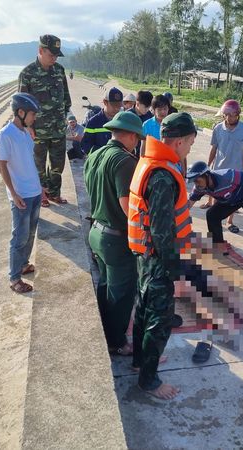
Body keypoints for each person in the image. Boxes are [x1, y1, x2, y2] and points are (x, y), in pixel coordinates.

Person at [128, 112, 197, 400]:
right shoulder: (162, 175)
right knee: (160, 319)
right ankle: (149, 380)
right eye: (191, 142)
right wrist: (173, 268)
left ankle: (139, 362)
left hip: (144, 254)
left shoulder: (151, 161)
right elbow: (161, 229)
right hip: (158, 258)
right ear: (179, 141)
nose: (191, 147)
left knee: (143, 309)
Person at [84, 111, 143, 356]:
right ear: (130, 135)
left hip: (96, 232)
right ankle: (117, 342)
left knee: (106, 286)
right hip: (116, 239)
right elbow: (126, 205)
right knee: (122, 294)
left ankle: (105, 333)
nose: (138, 142)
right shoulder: (124, 160)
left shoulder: (95, 155)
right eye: (137, 137)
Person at [187, 161, 243, 286]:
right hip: (232, 200)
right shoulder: (199, 188)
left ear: (207, 175)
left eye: (197, 180)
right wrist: (175, 217)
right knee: (212, 215)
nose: (196, 184)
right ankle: (219, 246)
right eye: (194, 182)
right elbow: (188, 205)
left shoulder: (227, 176)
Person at [18, 34, 72, 207]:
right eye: (51, 55)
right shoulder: (27, 74)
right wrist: (28, 127)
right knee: (38, 165)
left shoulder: (59, 70)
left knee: (58, 165)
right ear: (40, 50)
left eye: (57, 55)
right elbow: (21, 105)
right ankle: (41, 194)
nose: (54, 58)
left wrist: (65, 117)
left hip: (58, 128)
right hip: (37, 130)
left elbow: (66, 98)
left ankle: (54, 193)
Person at [0, 93, 43, 294]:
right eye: (32, 114)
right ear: (21, 112)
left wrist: (41, 188)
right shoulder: (5, 135)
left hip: (34, 191)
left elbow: (28, 162)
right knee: (19, 237)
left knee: (31, 232)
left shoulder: (25, 133)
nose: (34, 118)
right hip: (21, 195)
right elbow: (2, 166)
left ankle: (24, 264)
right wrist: (14, 194)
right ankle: (14, 278)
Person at [207, 99, 243, 232]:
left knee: (232, 198)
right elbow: (214, 148)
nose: (231, 117)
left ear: (238, 114)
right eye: (228, 115)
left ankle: (230, 221)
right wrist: (208, 164)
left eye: (234, 115)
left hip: (235, 170)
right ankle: (217, 220)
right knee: (218, 196)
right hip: (219, 169)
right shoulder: (218, 128)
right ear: (223, 115)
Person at [81, 87, 124, 155]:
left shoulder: (123, 121)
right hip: (99, 162)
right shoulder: (93, 122)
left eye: (119, 106)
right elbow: (86, 146)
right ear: (105, 102)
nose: (117, 109)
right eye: (114, 106)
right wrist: (103, 155)